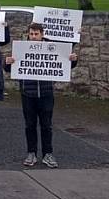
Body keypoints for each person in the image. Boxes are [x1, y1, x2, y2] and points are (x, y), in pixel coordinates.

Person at [5, 23, 78, 169]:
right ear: (28, 34)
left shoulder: (53, 48)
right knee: (30, 125)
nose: (33, 37)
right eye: (31, 34)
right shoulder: (22, 48)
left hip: (46, 93)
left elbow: (65, 64)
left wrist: (73, 59)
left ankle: (47, 154)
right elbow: (9, 67)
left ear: (42, 34)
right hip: (28, 94)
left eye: (36, 34)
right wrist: (7, 62)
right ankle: (31, 153)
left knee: (46, 126)